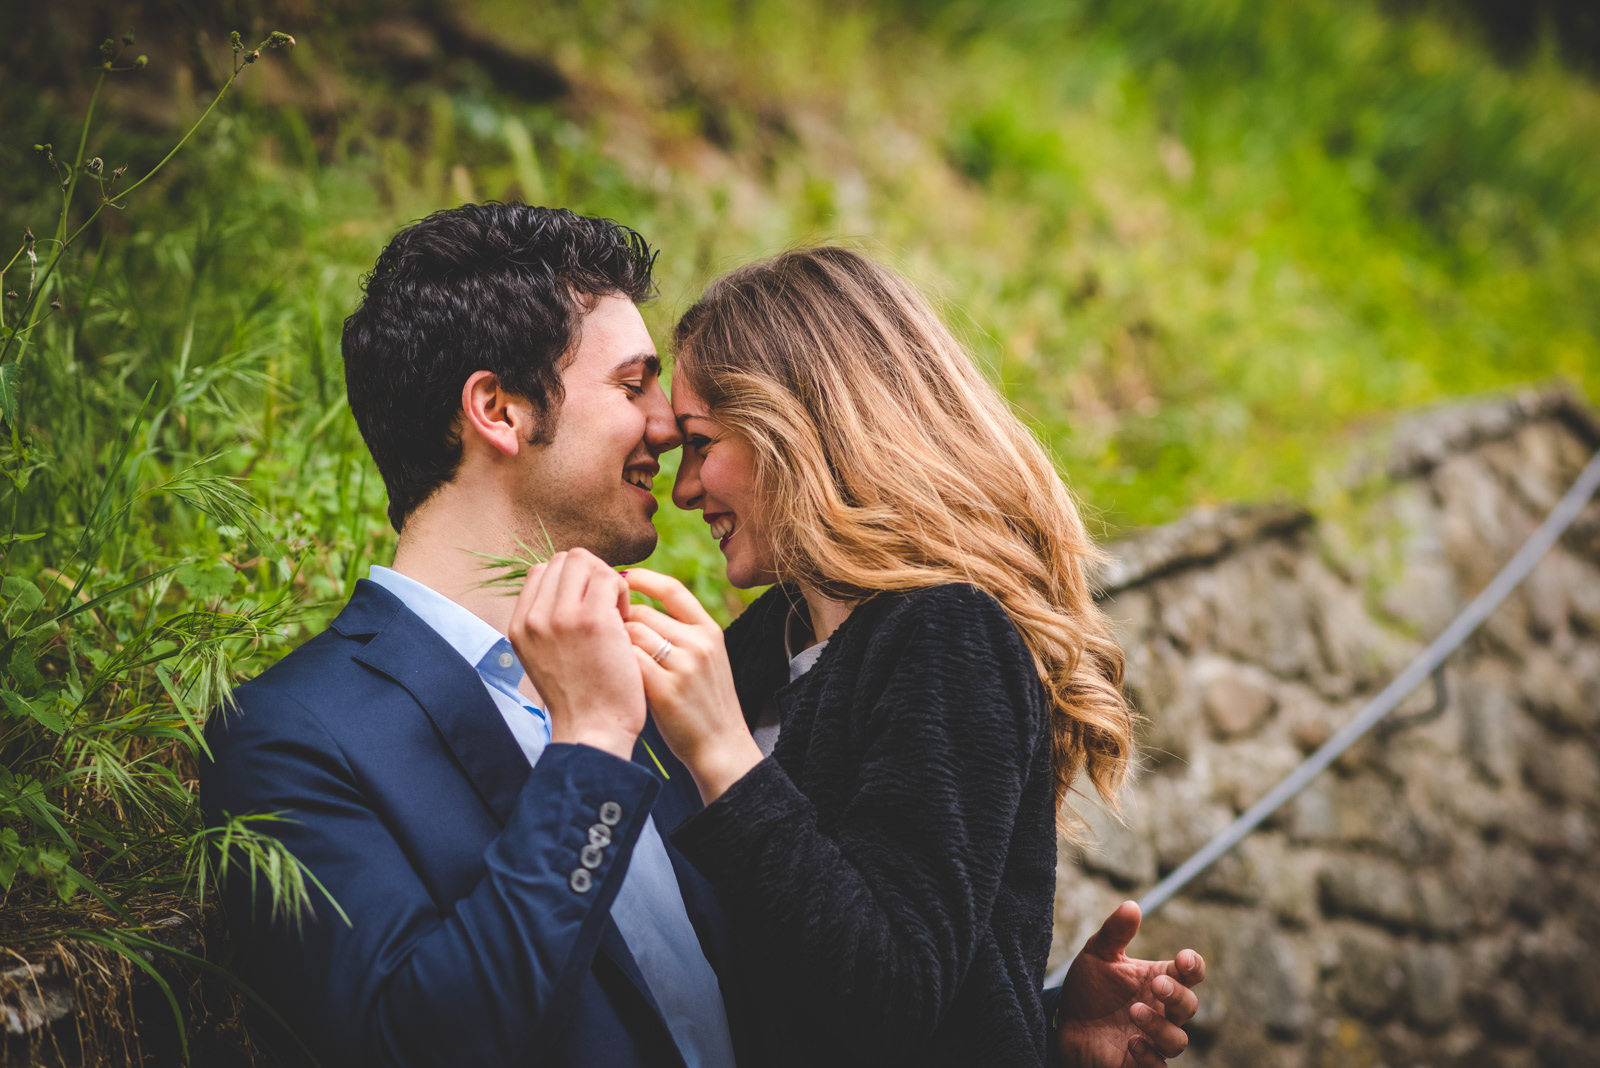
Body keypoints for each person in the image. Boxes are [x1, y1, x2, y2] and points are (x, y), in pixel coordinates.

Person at [202, 203, 1200, 1068]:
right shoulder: (298, 736)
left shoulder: (678, 677)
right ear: (499, 411)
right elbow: (414, 1043)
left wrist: (1035, 1026)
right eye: (633, 383)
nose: (667, 426)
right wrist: (589, 746)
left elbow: (809, 965)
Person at [617, 246, 1202, 1067]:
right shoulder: (763, 648)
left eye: (701, 443)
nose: (683, 489)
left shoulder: (946, 636)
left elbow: (887, 997)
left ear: (798, 427)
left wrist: (723, 756)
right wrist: (1044, 1025)